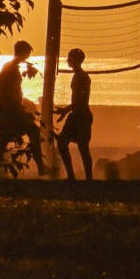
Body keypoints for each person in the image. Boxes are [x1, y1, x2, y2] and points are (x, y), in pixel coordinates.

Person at [0, 40, 44, 176]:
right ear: (23, 52)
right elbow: (7, 91)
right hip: (11, 110)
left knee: (3, 140)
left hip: (11, 109)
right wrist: (15, 107)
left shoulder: (10, 67)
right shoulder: (10, 68)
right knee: (33, 131)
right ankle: (41, 168)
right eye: (27, 53)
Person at [55, 48, 95, 181]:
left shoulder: (82, 77)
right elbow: (78, 101)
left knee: (81, 148)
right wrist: (66, 111)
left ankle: (83, 177)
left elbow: (81, 101)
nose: (68, 60)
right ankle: (77, 177)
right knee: (76, 146)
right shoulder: (79, 76)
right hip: (78, 115)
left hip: (81, 116)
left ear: (76, 60)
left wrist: (65, 110)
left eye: (70, 58)